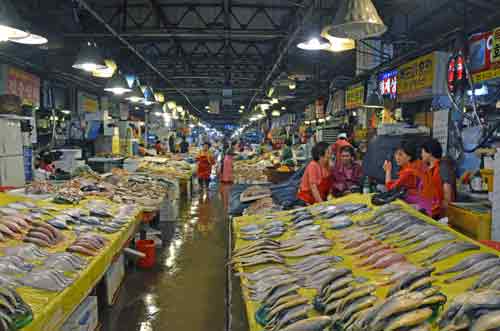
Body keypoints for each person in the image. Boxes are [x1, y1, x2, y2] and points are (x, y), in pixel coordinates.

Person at [419, 139, 455, 218]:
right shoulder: (428, 169)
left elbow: (447, 196)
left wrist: (443, 215)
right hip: (430, 210)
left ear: (430, 153)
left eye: (423, 152)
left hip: (440, 214)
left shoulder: (443, 167)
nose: (421, 155)